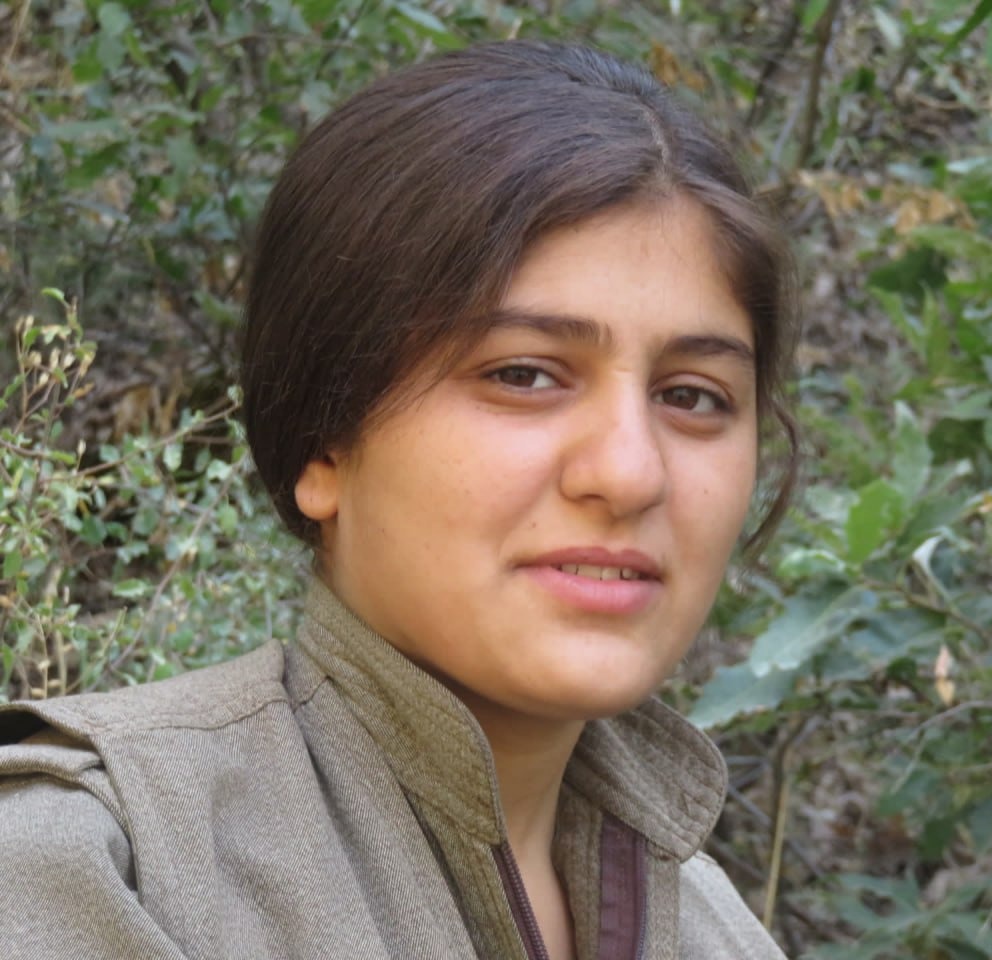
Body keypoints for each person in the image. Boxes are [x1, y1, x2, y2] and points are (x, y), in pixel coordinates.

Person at [0, 40, 798, 959]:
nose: (630, 473)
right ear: (323, 440)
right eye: (524, 375)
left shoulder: (714, 928)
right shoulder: (101, 868)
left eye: (692, 396)